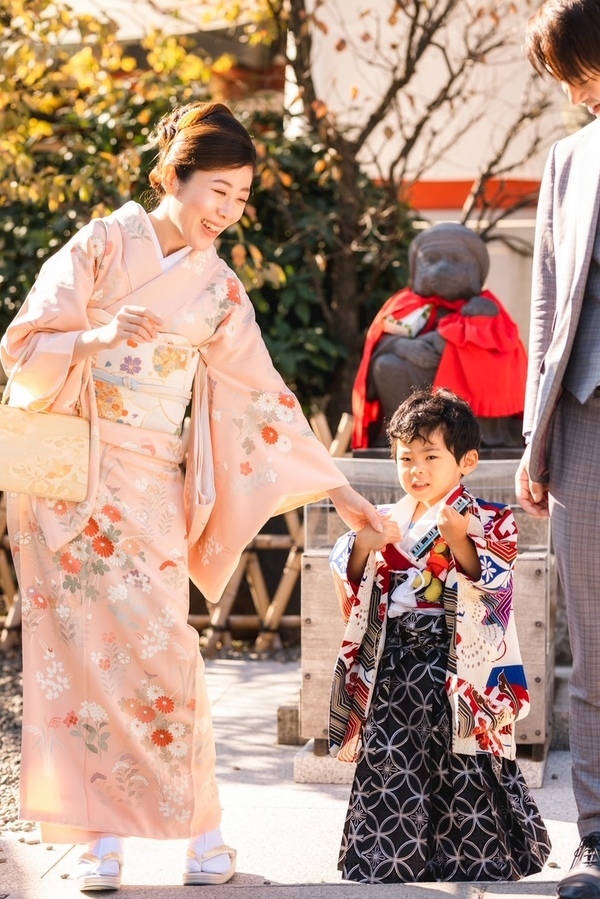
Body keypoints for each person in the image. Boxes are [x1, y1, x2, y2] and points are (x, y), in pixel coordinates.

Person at [0, 101, 383, 892]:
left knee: (166, 653)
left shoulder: (218, 289)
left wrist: (341, 491)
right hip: (73, 480)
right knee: (79, 662)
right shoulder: (101, 245)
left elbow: (263, 396)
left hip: (150, 488)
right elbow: (24, 348)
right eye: (219, 190)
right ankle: (100, 840)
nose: (229, 212)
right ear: (172, 177)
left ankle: (202, 829)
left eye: (242, 198)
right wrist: (96, 340)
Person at [328, 387, 551, 883]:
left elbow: (493, 583)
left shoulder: (489, 519)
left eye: (431, 456)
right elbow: (352, 574)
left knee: (464, 754)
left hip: (461, 664)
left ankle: (476, 859)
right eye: (405, 457)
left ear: (466, 460)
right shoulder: (385, 520)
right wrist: (364, 543)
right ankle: (386, 858)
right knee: (392, 757)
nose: (417, 470)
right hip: (396, 660)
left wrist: (459, 540)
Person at [518, 2, 600, 896]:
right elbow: (547, 309)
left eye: (581, 69)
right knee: (595, 643)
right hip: (585, 421)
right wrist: (536, 442)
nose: (574, 93)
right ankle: (598, 838)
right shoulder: (568, 158)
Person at [351, 222, 527, 450]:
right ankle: (403, 437)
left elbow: (504, 351)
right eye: (431, 260)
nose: (442, 269)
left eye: (456, 260)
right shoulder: (404, 304)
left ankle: (467, 438)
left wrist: (453, 344)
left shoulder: (485, 307)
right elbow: (380, 342)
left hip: (465, 382)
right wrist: (403, 346)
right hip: (419, 376)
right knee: (386, 365)